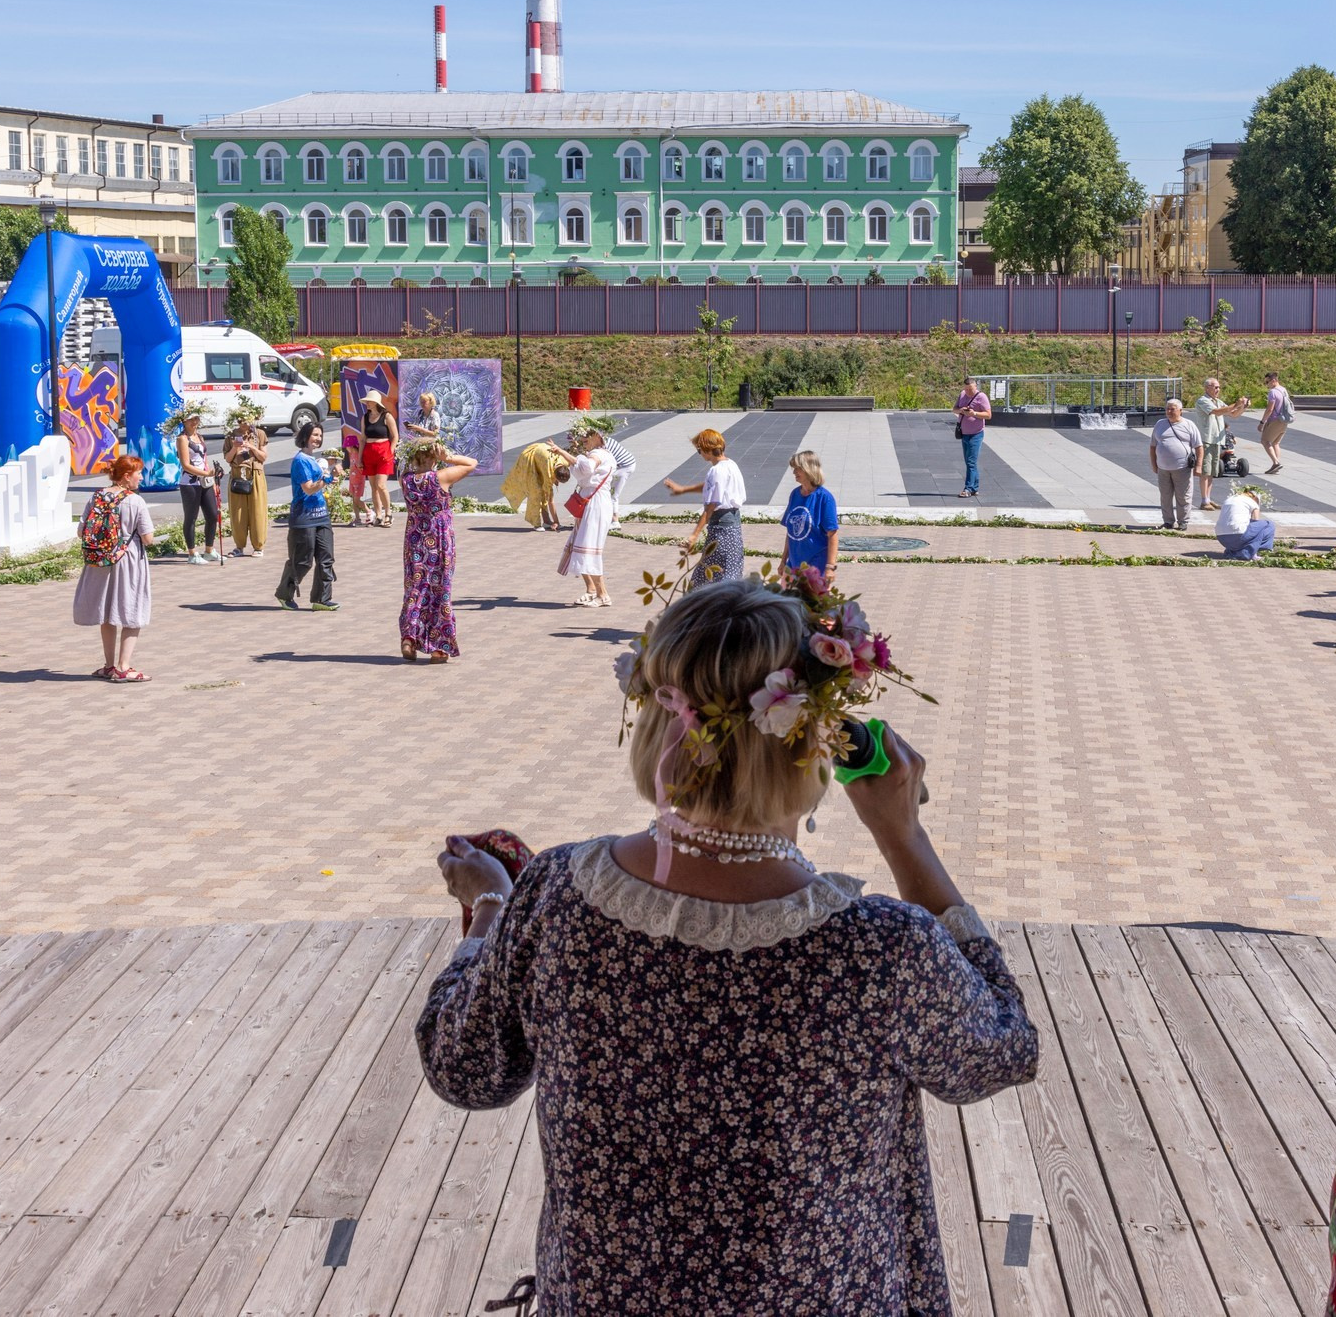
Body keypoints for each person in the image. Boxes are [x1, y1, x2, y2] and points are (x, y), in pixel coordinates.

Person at [419, 578, 1039, 1312]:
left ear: (654, 719)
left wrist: (492, 902)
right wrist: (904, 836)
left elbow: (465, 1069)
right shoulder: (878, 951)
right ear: (816, 742)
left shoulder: (557, 894)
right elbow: (1003, 1051)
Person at [74, 454, 155, 682]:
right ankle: (123, 667)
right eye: (138, 473)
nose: (141, 477)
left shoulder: (97, 496)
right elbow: (147, 538)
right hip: (127, 561)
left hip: (99, 561)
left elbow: (81, 531)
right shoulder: (135, 501)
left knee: (107, 612)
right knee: (132, 611)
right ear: (127, 476)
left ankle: (109, 665)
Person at [397, 438, 477, 663]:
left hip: (414, 539)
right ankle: (438, 648)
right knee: (440, 589)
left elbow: (404, 465)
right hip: (439, 539)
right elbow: (472, 463)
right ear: (433, 456)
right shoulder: (439, 477)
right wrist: (447, 457)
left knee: (415, 586)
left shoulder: (406, 480)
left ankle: (409, 637)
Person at [663, 427, 746, 586]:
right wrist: (683, 489)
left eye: (698, 450)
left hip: (721, 531)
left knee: (705, 581)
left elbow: (711, 505)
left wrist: (694, 535)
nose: (699, 454)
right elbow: (712, 486)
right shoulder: (731, 465)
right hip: (733, 530)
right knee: (727, 577)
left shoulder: (716, 471)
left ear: (707, 449)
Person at [277, 420, 339, 611]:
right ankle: (284, 594)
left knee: (326, 558)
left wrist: (331, 475)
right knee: (302, 561)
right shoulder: (301, 461)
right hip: (303, 518)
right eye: (314, 435)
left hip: (321, 515)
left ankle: (321, 599)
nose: (317, 439)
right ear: (305, 436)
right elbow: (309, 489)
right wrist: (327, 479)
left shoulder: (314, 459)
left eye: (320, 435)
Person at [559, 426, 622, 607]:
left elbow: (586, 468)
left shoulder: (598, 454)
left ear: (597, 436)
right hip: (592, 501)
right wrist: (569, 454)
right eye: (581, 435)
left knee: (589, 548)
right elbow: (583, 469)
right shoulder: (600, 454)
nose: (583, 438)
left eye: (587, 436)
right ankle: (591, 590)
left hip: (596, 503)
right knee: (578, 546)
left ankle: (603, 595)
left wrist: (565, 453)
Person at [1191, 376, 1249, 511]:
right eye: (1215, 387)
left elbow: (1233, 414)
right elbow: (1216, 412)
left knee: (1212, 472)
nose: (1218, 389)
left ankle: (1208, 499)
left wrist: (1242, 406)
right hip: (1206, 439)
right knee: (1205, 471)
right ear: (1207, 388)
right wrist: (1236, 403)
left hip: (1217, 440)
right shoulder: (1203, 401)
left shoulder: (1218, 401)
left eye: (1219, 387)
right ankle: (1204, 500)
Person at [781, 449, 841, 578]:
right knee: (788, 597)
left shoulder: (824, 498)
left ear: (809, 469)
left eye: (797, 468)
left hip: (816, 566)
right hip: (793, 565)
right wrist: (783, 561)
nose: (794, 472)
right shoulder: (795, 494)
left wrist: (830, 567)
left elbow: (833, 534)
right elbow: (790, 533)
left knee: (810, 598)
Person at [175, 411, 225, 562]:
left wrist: (211, 476)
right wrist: (206, 473)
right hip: (190, 483)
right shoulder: (182, 439)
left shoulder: (200, 437)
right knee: (191, 518)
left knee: (212, 515)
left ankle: (209, 550)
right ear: (184, 421)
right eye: (191, 419)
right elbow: (186, 465)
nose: (194, 422)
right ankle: (192, 553)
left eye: (196, 419)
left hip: (205, 481)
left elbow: (204, 459)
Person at [1150, 397, 1203, 531]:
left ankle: (1183, 521)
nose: (1169, 411)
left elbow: (1199, 447)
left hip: (1182, 468)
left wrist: (1199, 466)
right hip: (1163, 468)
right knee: (1165, 496)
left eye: (1172, 409)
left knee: (1183, 496)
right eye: (1167, 409)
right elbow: (1152, 446)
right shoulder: (1160, 424)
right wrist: (1154, 464)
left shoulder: (1189, 425)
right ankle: (1168, 521)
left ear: (1180, 411)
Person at [499, 435, 572, 532]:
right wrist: (557, 522)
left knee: (543, 493)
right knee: (536, 492)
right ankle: (536, 524)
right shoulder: (548, 472)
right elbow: (551, 501)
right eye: (557, 481)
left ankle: (547, 521)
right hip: (530, 458)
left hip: (540, 458)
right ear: (554, 475)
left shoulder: (565, 462)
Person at [224, 418, 271, 558]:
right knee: (238, 511)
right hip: (237, 474)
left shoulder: (259, 434)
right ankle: (239, 546)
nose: (244, 423)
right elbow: (227, 459)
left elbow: (263, 457)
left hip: (255, 474)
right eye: (241, 420)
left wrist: (251, 447)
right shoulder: (230, 435)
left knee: (258, 509)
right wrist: (235, 447)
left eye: (246, 420)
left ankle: (258, 546)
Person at [357, 390, 399, 527]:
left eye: (369, 401)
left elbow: (395, 436)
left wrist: (390, 451)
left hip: (384, 452)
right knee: (373, 486)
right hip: (369, 452)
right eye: (366, 401)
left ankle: (388, 513)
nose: (367, 403)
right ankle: (378, 515)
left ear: (376, 403)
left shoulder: (387, 416)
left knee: (381, 485)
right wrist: (359, 458)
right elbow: (362, 439)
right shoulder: (365, 417)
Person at [952, 376, 992, 498]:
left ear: (976, 387)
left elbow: (988, 415)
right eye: (966, 389)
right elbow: (954, 409)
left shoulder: (981, 397)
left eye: (971, 389)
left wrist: (974, 413)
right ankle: (974, 488)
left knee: (971, 462)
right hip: (964, 433)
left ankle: (968, 488)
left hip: (976, 433)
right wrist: (961, 410)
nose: (968, 392)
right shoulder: (963, 394)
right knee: (970, 462)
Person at [1215, 486, 1275, 560]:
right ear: (1255, 498)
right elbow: (1255, 521)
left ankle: (1235, 551)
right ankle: (1251, 552)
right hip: (1238, 535)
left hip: (1221, 538)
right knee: (1268, 525)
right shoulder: (1252, 502)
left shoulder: (1229, 499)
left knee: (1246, 529)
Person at [1256, 371, 1294, 474]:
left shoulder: (1273, 392)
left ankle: (1276, 463)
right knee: (1276, 443)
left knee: (1265, 441)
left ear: (1273, 380)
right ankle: (1275, 466)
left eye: (1267, 382)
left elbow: (1270, 409)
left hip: (1274, 420)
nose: (1266, 385)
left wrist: (1262, 422)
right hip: (1284, 420)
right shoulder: (1283, 390)